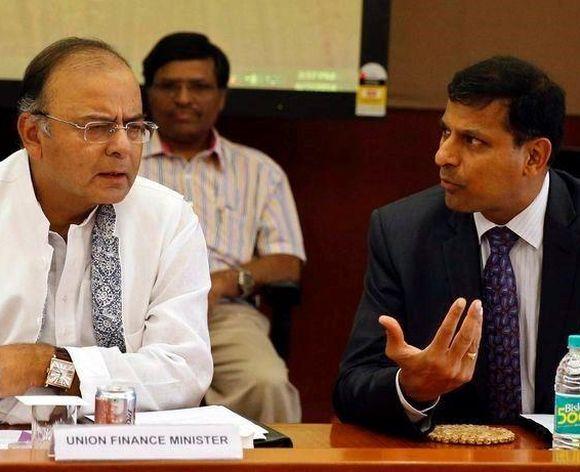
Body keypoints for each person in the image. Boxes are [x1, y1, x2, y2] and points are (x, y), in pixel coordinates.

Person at [333, 56, 577, 436]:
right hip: (453, 457)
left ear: (534, 156)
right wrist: (414, 387)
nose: (443, 156)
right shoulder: (403, 232)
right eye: (446, 133)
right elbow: (351, 389)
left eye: (472, 141)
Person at [0, 37, 212, 423]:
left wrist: (46, 365)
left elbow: (183, 373)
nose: (122, 147)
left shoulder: (168, 220)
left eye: (133, 127)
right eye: (96, 128)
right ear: (33, 134)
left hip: (119, 450)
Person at [139, 32, 305, 423]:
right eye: (169, 86)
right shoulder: (121, 160)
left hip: (223, 313)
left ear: (222, 96)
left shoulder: (259, 170)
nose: (183, 99)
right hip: (130, 307)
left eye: (198, 87)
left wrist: (227, 281)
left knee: (266, 382)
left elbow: (287, 263)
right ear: (148, 93)